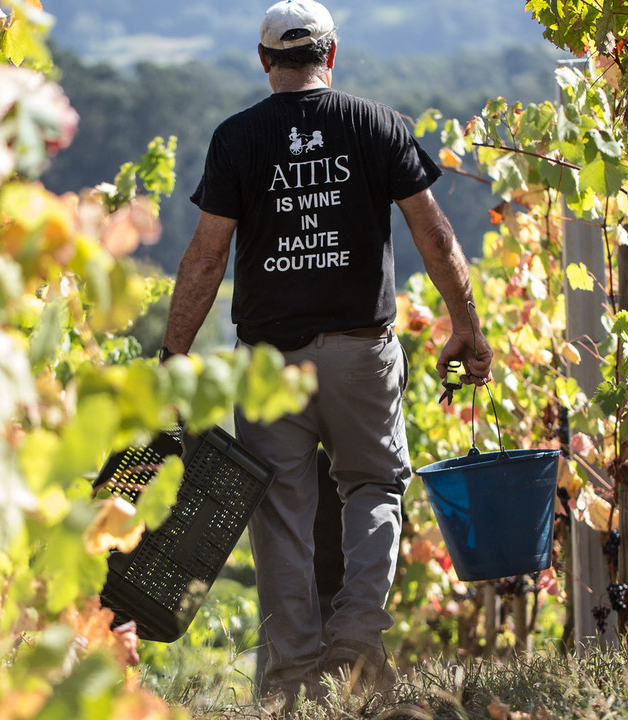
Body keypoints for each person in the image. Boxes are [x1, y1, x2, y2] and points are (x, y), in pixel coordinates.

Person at [158, 0, 492, 706]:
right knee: (373, 486)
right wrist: (466, 326)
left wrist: (174, 353)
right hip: (362, 354)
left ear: (265, 61)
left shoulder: (237, 139)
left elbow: (206, 256)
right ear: (331, 54)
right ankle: (356, 639)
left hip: (267, 365)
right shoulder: (378, 125)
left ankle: (292, 679)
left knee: (280, 508)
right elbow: (434, 235)